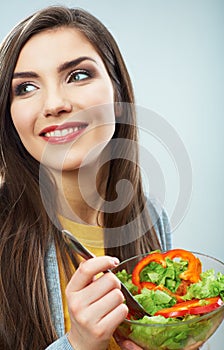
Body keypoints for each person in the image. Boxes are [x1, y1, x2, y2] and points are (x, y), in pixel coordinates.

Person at [0, 5, 172, 350]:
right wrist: (77, 344)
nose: (55, 103)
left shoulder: (152, 220)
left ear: (118, 94)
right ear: (9, 115)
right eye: (27, 87)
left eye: (77, 75)